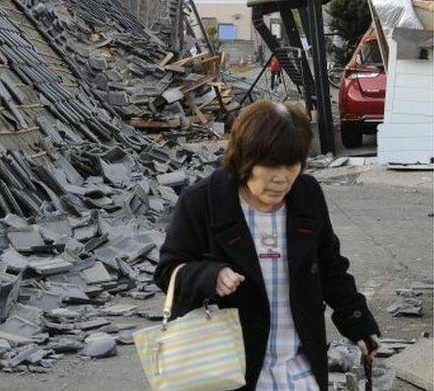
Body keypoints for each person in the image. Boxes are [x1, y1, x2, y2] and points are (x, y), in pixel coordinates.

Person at [155, 101, 379, 390]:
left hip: (299, 367)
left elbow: (330, 267)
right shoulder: (203, 202)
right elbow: (167, 272)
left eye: (291, 164)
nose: (281, 177)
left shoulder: (307, 195)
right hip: (231, 369)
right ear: (243, 158)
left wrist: (358, 322)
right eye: (271, 164)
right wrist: (210, 275)